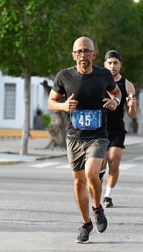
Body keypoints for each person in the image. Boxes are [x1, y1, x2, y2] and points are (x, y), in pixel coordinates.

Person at [48, 37, 122, 243]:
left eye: (86, 51)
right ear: (73, 55)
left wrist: (115, 102)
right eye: (78, 51)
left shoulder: (103, 75)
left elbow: (116, 92)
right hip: (74, 138)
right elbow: (51, 102)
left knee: (91, 173)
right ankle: (86, 223)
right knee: (79, 182)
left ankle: (97, 207)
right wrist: (63, 106)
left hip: (97, 135)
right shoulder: (64, 76)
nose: (82, 55)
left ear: (93, 54)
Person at [99, 50, 136, 208]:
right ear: (104, 64)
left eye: (115, 63)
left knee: (114, 161)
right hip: (99, 128)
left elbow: (132, 114)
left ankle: (108, 196)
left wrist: (131, 105)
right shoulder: (98, 80)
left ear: (120, 65)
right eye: (109, 63)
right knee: (101, 164)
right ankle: (98, 185)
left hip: (117, 129)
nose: (112, 66)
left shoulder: (127, 85)